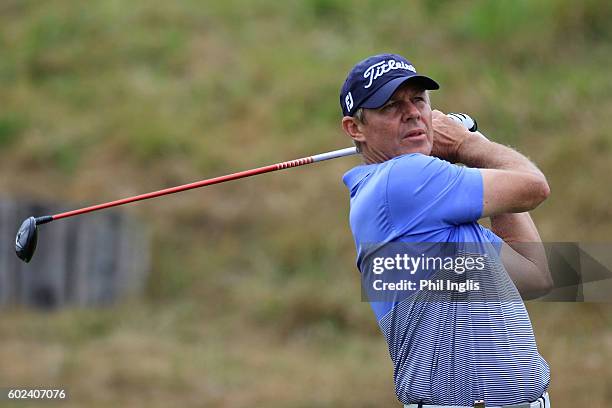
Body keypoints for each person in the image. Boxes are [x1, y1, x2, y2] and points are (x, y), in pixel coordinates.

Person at [339, 53, 553, 407]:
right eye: (391, 105)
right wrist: (468, 144)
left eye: (418, 100)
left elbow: (535, 275)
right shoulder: (401, 180)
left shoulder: (429, 209)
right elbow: (533, 187)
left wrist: (468, 150)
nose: (411, 112)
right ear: (355, 129)